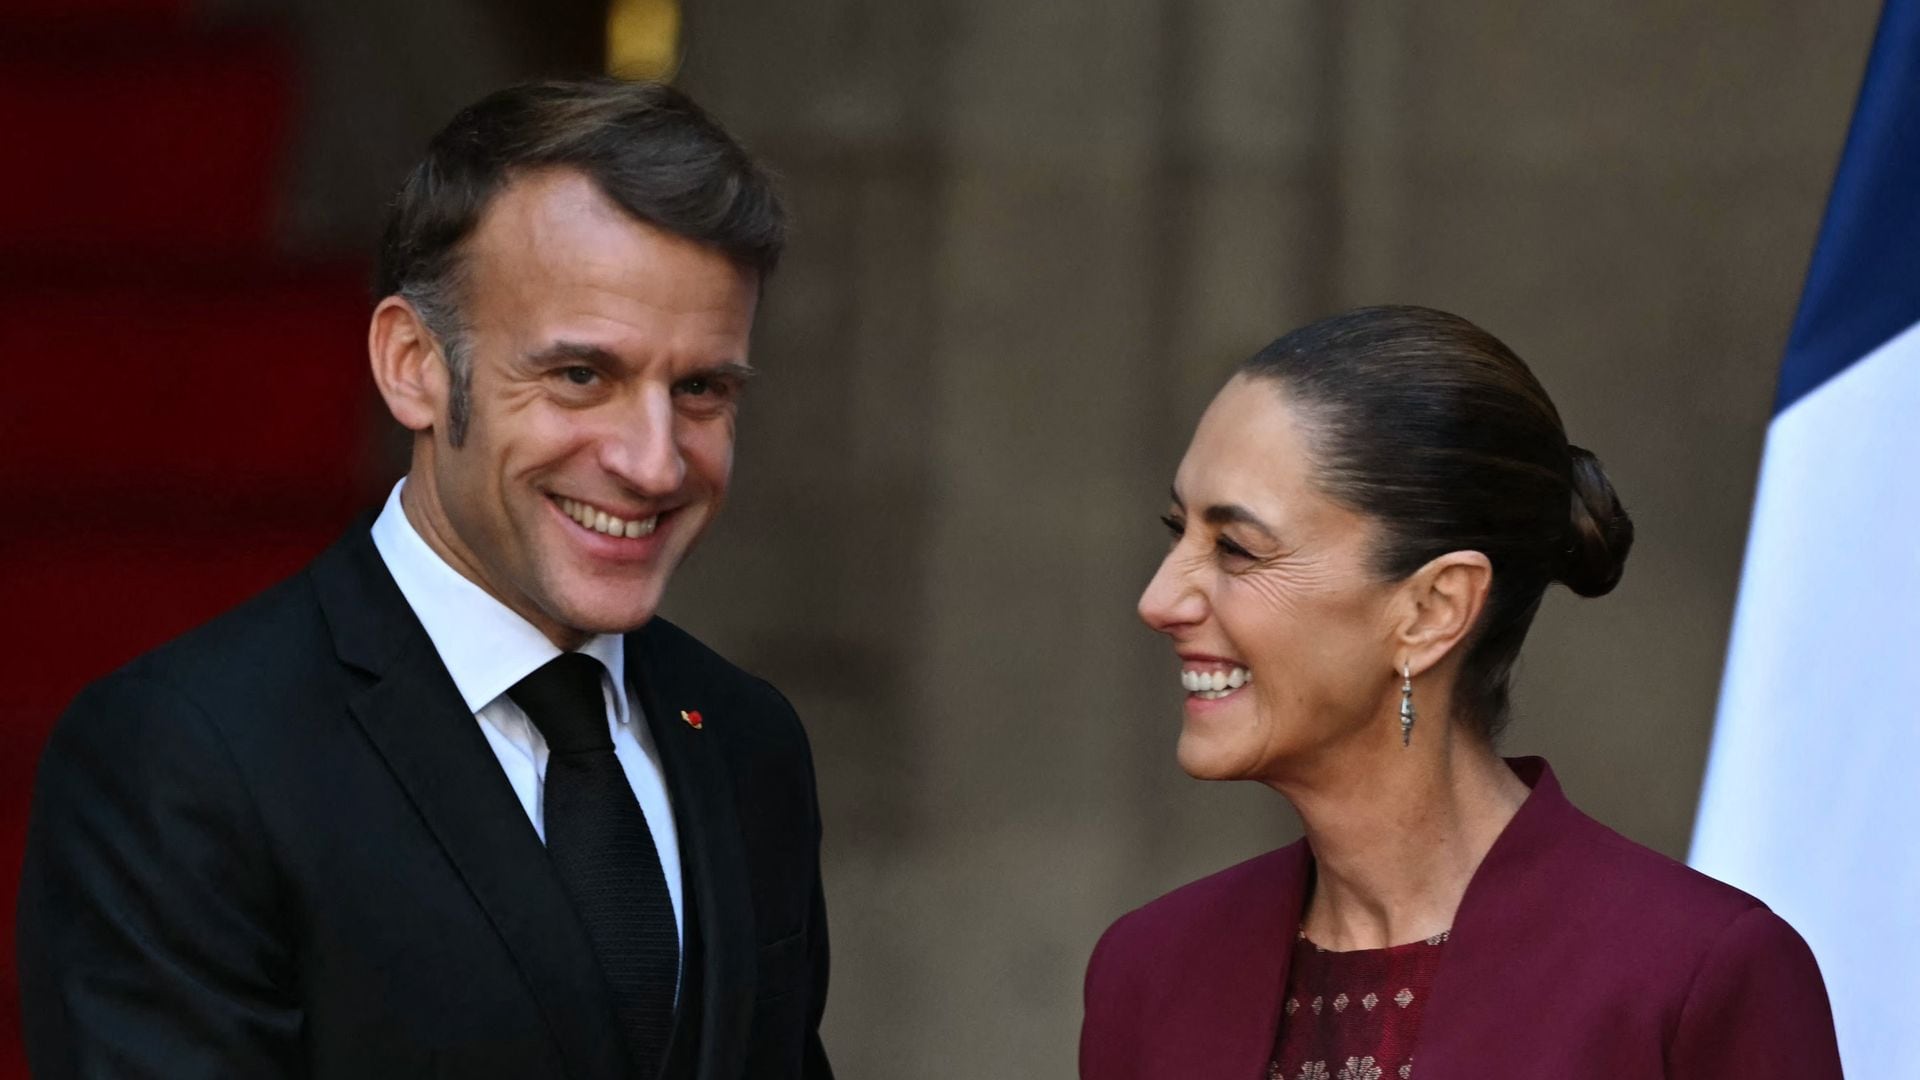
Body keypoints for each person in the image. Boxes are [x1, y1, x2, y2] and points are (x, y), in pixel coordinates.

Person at [18, 79, 831, 1080]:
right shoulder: (183, 758)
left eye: (701, 389)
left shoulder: (747, 742)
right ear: (413, 364)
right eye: (582, 375)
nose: (654, 463)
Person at [1080, 306, 1841, 1080]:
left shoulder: (1693, 977)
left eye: (1236, 548)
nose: (1159, 598)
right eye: (1180, 532)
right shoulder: (1149, 972)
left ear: (1433, 608)